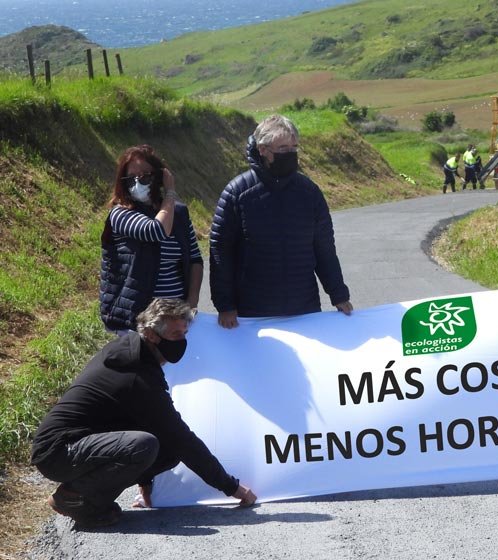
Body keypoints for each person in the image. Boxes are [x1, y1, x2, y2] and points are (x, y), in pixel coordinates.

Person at [31, 299, 257, 528]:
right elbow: (181, 437)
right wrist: (232, 487)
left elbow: (144, 422)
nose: (181, 341)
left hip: (79, 443)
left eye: (184, 333)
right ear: (150, 334)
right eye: (175, 334)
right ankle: (75, 498)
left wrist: (146, 483)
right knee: (146, 444)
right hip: (58, 452)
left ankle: (86, 496)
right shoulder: (135, 374)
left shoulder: (133, 352)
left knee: (166, 450)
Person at [209, 114, 352, 328]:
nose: (291, 153)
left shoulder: (309, 192)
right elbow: (220, 252)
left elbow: (324, 249)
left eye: (294, 147)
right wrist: (225, 305)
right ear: (263, 149)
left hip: (305, 306)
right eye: (284, 148)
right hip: (252, 310)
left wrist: (339, 294)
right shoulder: (237, 193)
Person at [99, 145, 203, 333]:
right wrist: (170, 193)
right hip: (137, 318)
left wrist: (192, 301)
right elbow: (156, 231)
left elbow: (195, 258)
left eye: (146, 175)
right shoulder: (121, 213)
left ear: (159, 177)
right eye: (131, 178)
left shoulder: (178, 213)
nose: (138, 182)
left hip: (176, 316)